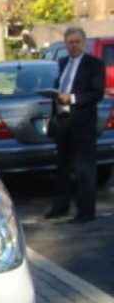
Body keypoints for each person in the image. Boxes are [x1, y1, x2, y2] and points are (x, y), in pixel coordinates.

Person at [44, 26, 105, 223]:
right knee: (62, 167)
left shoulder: (94, 64)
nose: (74, 46)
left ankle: (86, 212)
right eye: (70, 42)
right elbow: (61, 86)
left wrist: (71, 99)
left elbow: (96, 93)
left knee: (83, 171)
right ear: (65, 44)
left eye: (77, 42)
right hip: (63, 122)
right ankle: (60, 207)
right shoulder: (62, 63)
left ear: (84, 43)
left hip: (82, 123)